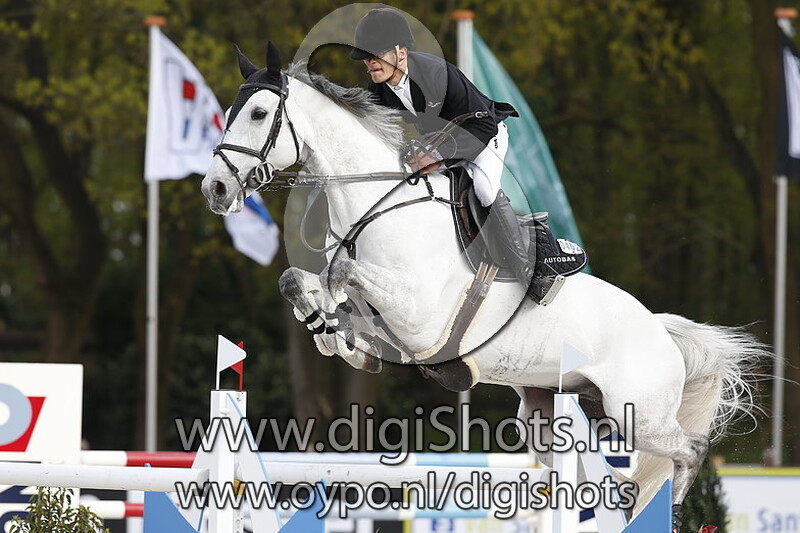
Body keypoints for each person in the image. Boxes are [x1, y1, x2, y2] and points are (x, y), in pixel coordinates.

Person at [350, 8, 538, 293]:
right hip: (443, 143)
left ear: (401, 52)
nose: (370, 61)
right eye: (366, 56)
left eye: (377, 53)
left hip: (485, 135)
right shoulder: (379, 91)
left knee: (484, 188)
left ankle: (525, 268)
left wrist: (437, 156)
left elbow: (483, 126)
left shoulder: (436, 73)